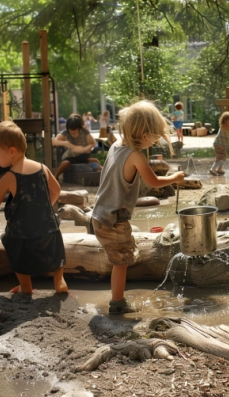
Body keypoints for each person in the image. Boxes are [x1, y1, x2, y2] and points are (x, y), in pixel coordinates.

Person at [91, 100, 185, 314]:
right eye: (154, 136)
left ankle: (117, 299)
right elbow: (154, 182)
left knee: (120, 257)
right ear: (143, 133)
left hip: (100, 214)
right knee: (121, 262)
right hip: (114, 221)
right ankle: (117, 304)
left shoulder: (117, 146)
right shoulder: (135, 156)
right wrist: (175, 178)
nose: (154, 142)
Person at [0, 121, 68, 295]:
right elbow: (57, 190)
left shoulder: (9, 178)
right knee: (55, 251)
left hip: (22, 236)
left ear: (12, 151)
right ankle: (59, 282)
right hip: (49, 231)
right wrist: (44, 209)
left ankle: (26, 287)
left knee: (12, 243)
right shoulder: (42, 168)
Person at [52, 113, 101, 180]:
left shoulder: (85, 132)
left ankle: (100, 176)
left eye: (75, 132)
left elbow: (93, 143)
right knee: (65, 163)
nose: (73, 134)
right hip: (70, 158)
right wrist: (68, 144)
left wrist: (84, 149)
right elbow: (53, 142)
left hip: (82, 157)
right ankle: (55, 176)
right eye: (71, 132)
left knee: (95, 161)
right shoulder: (65, 133)